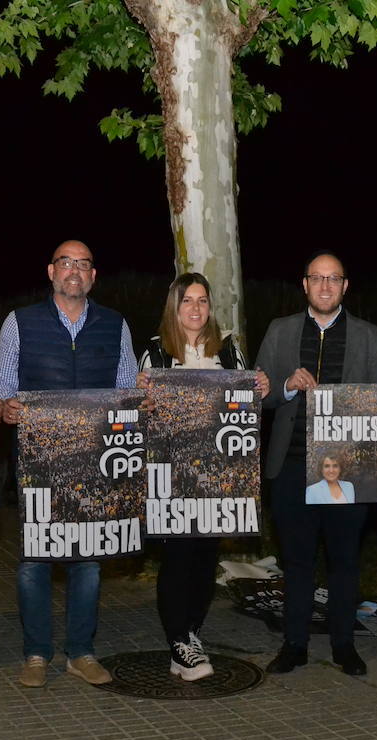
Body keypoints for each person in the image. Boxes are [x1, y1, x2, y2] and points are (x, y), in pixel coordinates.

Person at [0, 240, 138, 689]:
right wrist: (8, 408)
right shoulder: (19, 323)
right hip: (38, 463)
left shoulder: (115, 325)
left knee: (88, 561)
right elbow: (0, 385)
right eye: (66, 263)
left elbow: (128, 388)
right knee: (34, 560)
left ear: (93, 276)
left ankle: (81, 653)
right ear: (51, 271)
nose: (74, 271)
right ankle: (36, 653)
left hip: (95, 465)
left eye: (83, 264)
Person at [257, 251, 377, 677]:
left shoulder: (369, 337)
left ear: (346, 286)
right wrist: (287, 386)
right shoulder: (280, 331)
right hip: (291, 466)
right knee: (296, 562)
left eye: (334, 279)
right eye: (318, 278)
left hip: (348, 469)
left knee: (344, 560)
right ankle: (293, 644)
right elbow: (259, 393)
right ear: (305, 284)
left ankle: (343, 645)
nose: (326, 286)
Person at [136, 272, 269, 681]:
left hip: (218, 476)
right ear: (174, 308)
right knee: (177, 557)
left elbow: (248, 415)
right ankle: (179, 642)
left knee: (205, 556)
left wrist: (259, 389)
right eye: (187, 301)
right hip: (171, 478)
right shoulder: (155, 354)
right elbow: (136, 419)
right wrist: (139, 397)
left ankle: (191, 634)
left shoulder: (229, 352)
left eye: (202, 301)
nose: (196, 309)